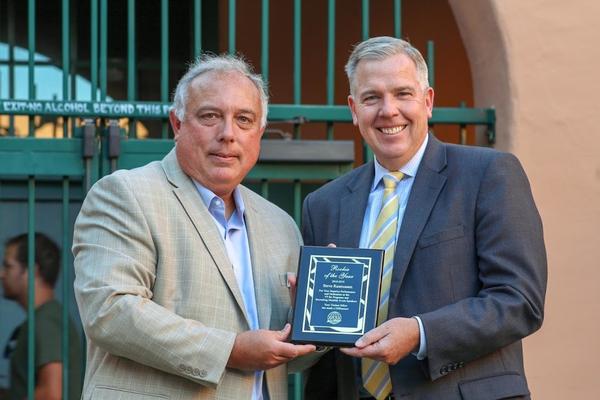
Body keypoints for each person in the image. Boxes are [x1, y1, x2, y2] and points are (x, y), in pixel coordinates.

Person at [302, 36, 547, 400]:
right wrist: (307, 308)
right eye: (372, 98)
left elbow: (519, 300)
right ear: (354, 109)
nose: (388, 111)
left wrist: (420, 332)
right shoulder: (323, 204)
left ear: (427, 101)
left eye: (403, 94)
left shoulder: (488, 175)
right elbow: (325, 354)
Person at [72, 54, 316, 400]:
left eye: (243, 120)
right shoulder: (125, 194)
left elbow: (282, 355)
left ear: (259, 133)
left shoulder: (279, 224)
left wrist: (313, 316)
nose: (228, 134)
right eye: (210, 116)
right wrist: (229, 350)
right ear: (177, 124)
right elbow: (110, 312)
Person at [0, 233, 82, 400]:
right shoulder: (44, 317)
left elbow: (52, 394)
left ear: (32, 270)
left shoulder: (46, 320)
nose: (2, 274)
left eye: (8, 266)